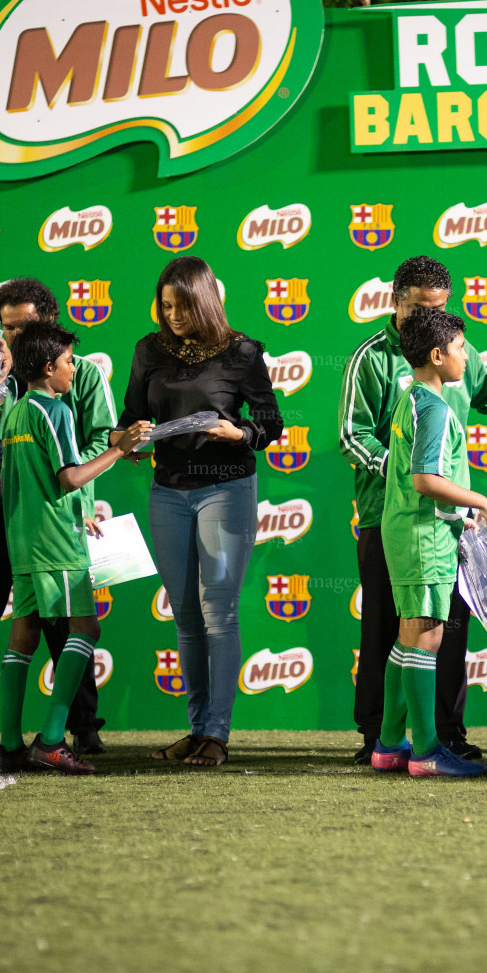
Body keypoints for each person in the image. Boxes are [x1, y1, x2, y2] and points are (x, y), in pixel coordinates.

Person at [340, 255, 487, 764]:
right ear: (395, 303)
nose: (432, 318)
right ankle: (405, 742)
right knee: (404, 629)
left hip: (438, 519)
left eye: (441, 308)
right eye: (422, 309)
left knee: (437, 632)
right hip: (402, 517)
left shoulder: (438, 375)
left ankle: (424, 737)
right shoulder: (390, 371)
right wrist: (476, 500)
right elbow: (363, 443)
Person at [121, 257, 280, 768]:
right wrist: (127, 440)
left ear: (205, 301)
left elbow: (270, 421)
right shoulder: (148, 350)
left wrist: (242, 434)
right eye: (165, 306)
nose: (172, 316)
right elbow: (128, 419)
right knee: (185, 615)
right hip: (167, 490)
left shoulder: (243, 352)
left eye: (182, 306)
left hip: (226, 488)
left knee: (219, 610)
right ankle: (196, 729)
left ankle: (217, 733)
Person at [0, 278, 115, 757]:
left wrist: (70, 495)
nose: (17, 336)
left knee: (63, 624)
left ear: (51, 321)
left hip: (51, 512)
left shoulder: (78, 373)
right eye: (9, 327)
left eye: (27, 326)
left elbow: (100, 440)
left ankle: (82, 725)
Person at [0, 322, 147, 774]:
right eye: (66, 363)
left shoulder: (15, 412)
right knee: (86, 629)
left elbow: (22, 481)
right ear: (47, 368)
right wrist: (121, 448)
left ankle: (8, 744)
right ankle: (54, 739)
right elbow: (71, 476)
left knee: (23, 634)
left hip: (22, 540)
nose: (72, 372)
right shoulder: (54, 411)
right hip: (57, 544)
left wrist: (76, 509)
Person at [372, 307, 487, 778]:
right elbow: (427, 479)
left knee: (408, 636)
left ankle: (388, 746)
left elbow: (414, 480)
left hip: (410, 530)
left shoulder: (410, 398)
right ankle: (427, 750)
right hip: (423, 538)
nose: (466, 358)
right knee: (426, 638)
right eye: (461, 349)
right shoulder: (435, 408)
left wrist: (460, 516)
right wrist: (483, 503)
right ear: (437, 354)